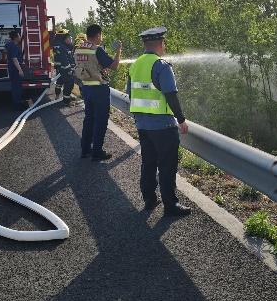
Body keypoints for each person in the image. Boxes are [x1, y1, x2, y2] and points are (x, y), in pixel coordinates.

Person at [127, 27, 191, 217]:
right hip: (163, 126)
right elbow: (170, 94)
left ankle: (149, 200)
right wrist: (181, 119)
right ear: (160, 44)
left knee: (148, 163)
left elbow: (131, 94)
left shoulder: (135, 65)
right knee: (167, 166)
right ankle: (171, 205)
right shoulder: (162, 65)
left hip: (143, 125)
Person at [74, 24, 122, 161]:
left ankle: (85, 149)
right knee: (101, 121)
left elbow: (87, 66)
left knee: (89, 119)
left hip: (86, 88)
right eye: (101, 35)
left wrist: (99, 68)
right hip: (99, 90)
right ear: (98, 35)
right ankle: (97, 152)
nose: (101, 38)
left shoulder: (79, 49)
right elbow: (114, 66)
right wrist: (118, 50)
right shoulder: (97, 50)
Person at [53, 29, 78, 106]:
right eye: (69, 38)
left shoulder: (60, 46)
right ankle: (67, 101)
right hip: (65, 70)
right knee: (69, 84)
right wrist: (69, 69)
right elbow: (65, 60)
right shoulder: (63, 48)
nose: (71, 40)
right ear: (64, 38)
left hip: (61, 70)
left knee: (59, 83)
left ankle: (58, 96)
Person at [5, 30, 26, 111]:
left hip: (11, 68)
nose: (20, 37)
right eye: (19, 36)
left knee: (15, 86)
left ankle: (17, 103)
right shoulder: (14, 46)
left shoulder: (8, 44)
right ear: (16, 37)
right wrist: (20, 70)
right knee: (17, 87)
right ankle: (17, 105)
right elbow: (14, 59)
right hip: (15, 69)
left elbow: (6, 55)